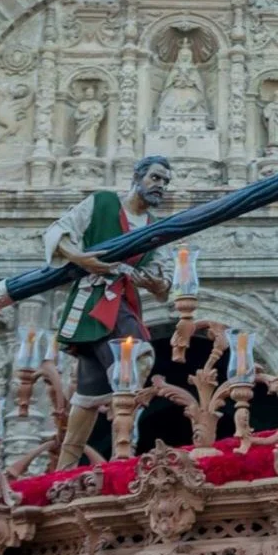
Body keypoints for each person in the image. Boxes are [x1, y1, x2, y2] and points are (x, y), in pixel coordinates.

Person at [45, 155, 173, 469]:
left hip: (124, 299)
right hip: (95, 301)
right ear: (137, 177)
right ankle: (121, 444)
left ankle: (78, 464)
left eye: (165, 182)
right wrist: (82, 259)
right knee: (136, 353)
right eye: (155, 178)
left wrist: (155, 283)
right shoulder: (102, 203)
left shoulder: (156, 229)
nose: (160, 185)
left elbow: (164, 284)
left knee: (91, 392)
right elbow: (57, 232)